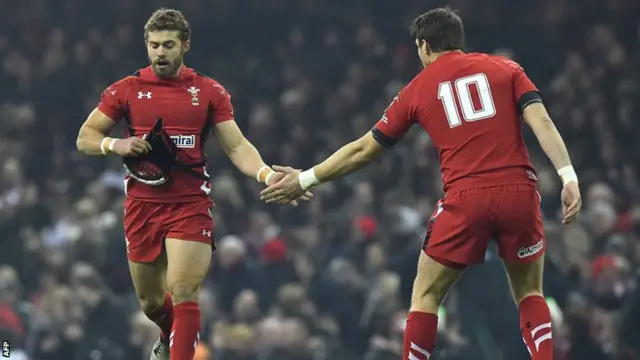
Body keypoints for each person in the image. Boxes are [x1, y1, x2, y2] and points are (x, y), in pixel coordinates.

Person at [260, 7, 581, 360]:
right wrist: (568, 176)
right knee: (529, 292)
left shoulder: (417, 89)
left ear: (424, 45)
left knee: (426, 294)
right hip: (519, 191)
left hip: (466, 197)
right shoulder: (507, 69)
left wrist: (305, 178)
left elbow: (364, 149)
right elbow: (543, 122)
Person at [76, 8, 309, 360]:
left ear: (185, 45)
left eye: (168, 44)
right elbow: (86, 137)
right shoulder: (126, 89)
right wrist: (117, 144)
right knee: (152, 302)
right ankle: (165, 333)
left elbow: (236, 145)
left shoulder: (209, 91)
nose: (160, 52)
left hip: (189, 205)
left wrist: (265, 173)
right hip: (142, 206)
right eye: (154, 45)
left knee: (184, 289)